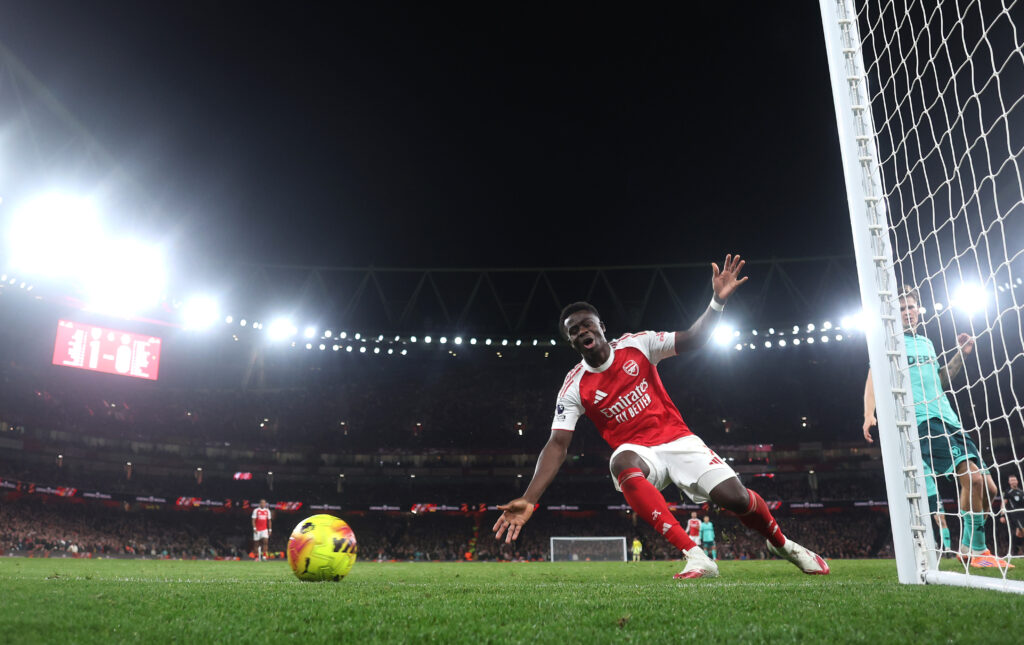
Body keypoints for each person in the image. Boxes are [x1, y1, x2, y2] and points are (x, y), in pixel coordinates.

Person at [493, 254, 829, 579]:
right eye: (573, 330)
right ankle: (694, 555)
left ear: (601, 327)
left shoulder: (639, 345)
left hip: (679, 440)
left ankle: (783, 545)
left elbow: (694, 339)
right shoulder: (573, 387)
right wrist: (530, 498)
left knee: (737, 499)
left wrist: (717, 302)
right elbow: (557, 444)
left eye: (586, 324)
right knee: (620, 461)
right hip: (640, 453)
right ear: (570, 341)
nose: (581, 331)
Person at [862, 287, 1010, 568]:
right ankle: (975, 549)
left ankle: (971, 544)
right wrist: (869, 413)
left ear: (919, 310)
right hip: (924, 422)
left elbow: (941, 380)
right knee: (974, 480)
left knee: (989, 489)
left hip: (950, 419)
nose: (908, 312)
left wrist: (962, 354)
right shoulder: (888, 343)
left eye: (911, 307)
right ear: (894, 314)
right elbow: (872, 379)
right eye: (902, 308)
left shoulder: (927, 344)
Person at [1000, 475, 1024, 556]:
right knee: (1022, 529)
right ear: (1009, 482)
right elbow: (1003, 503)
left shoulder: (1021, 491)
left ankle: (1016, 549)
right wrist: (1002, 515)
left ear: (1017, 481)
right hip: (1015, 514)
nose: (1013, 481)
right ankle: (1016, 549)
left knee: (1019, 534)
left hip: (1022, 513)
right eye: (1011, 480)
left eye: (1014, 480)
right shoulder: (1008, 492)